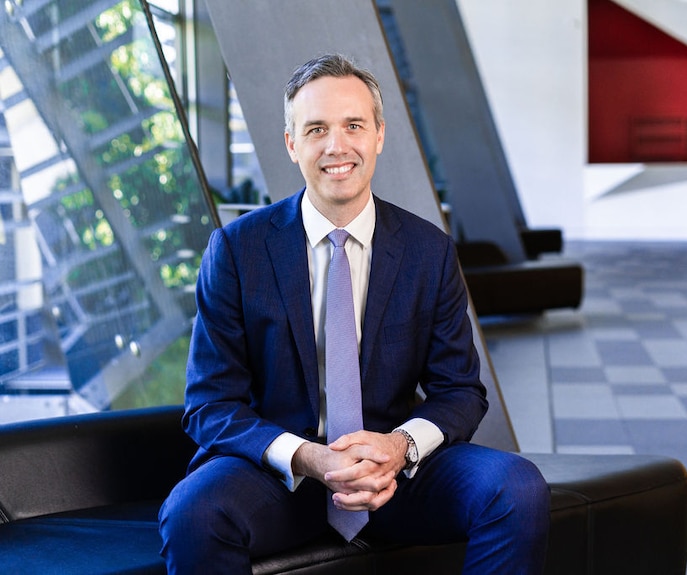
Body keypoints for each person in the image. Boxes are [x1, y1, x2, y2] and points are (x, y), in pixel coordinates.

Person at [158, 54, 550, 574]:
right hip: (280, 478)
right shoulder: (236, 251)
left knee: (517, 489)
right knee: (192, 514)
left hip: (394, 476)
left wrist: (398, 446)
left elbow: (460, 391)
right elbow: (210, 404)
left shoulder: (427, 251)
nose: (336, 146)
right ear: (291, 143)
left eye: (353, 126)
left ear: (379, 135)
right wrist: (310, 458)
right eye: (316, 128)